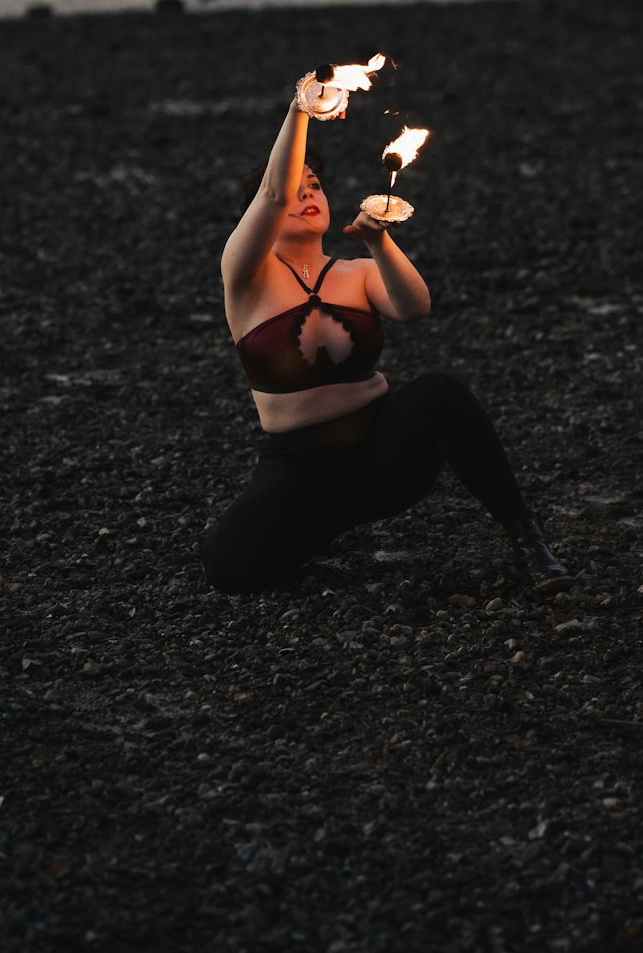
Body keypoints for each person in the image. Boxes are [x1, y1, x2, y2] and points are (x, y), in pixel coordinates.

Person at [203, 79, 570, 595]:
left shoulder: (356, 273)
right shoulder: (246, 278)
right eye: (296, 190)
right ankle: (320, 527)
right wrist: (301, 109)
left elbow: (414, 308)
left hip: (382, 459)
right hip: (301, 467)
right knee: (231, 575)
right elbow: (273, 190)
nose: (306, 195)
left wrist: (379, 240)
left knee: (439, 392)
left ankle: (527, 538)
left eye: (316, 187)